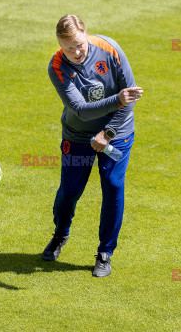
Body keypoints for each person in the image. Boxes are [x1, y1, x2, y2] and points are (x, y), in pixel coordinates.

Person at [43, 14, 143, 277]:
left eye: (79, 45)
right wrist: (117, 99)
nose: (75, 52)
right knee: (69, 191)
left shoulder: (110, 49)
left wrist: (107, 132)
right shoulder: (57, 66)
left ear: (86, 34)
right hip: (77, 135)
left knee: (112, 185)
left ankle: (105, 252)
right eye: (68, 48)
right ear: (59, 45)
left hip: (117, 132)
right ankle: (60, 234)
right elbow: (80, 110)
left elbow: (129, 97)